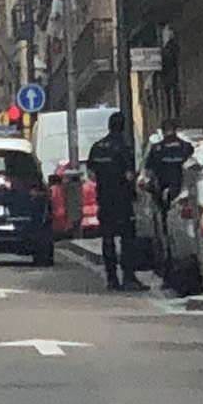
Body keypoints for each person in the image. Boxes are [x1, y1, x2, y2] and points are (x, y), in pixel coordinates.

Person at [86, 112, 145, 292]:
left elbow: (91, 174)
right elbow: (129, 175)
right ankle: (128, 277)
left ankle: (112, 279)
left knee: (108, 239)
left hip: (104, 199)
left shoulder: (97, 147)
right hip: (122, 200)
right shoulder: (123, 147)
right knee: (127, 239)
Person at [143, 119, 195, 213]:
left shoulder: (156, 148)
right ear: (175, 130)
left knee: (159, 205)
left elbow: (148, 168)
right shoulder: (185, 146)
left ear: (163, 132)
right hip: (180, 183)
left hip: (162, 183)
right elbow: (192, 157)